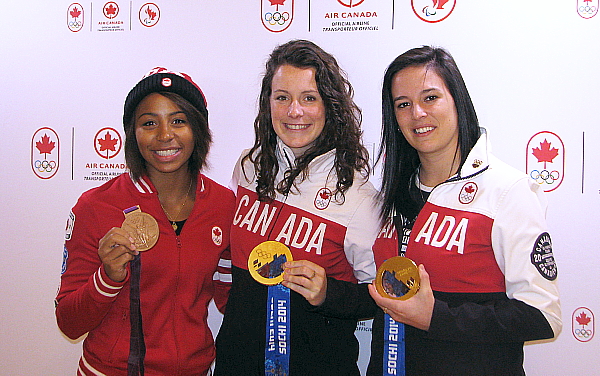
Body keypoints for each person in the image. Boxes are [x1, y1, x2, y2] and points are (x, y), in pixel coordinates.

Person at [367, 46, 562, 375]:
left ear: (457, 100)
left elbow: (543, 316)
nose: (417, 113)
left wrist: (437, 318)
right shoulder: (393, 192)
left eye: (430, 98)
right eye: (403, 104)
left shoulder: (507, 191)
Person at [214, 39, 380, 376]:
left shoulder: (360, 199)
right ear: (268, 103)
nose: (294, 111)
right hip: (237, 363)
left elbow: (379, 295)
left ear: (330, 106)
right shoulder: (248, 167)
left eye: (309, 98)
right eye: (282, 98)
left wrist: (328, 294)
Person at [55, 67, 235, 375]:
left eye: (179, 120)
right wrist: (108, 276)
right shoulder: (96, 206)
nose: (165, 135)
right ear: (132, 134)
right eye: (149, 123)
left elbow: (229, 298)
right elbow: (69, 323)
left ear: (199, 129)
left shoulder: (223, 205)